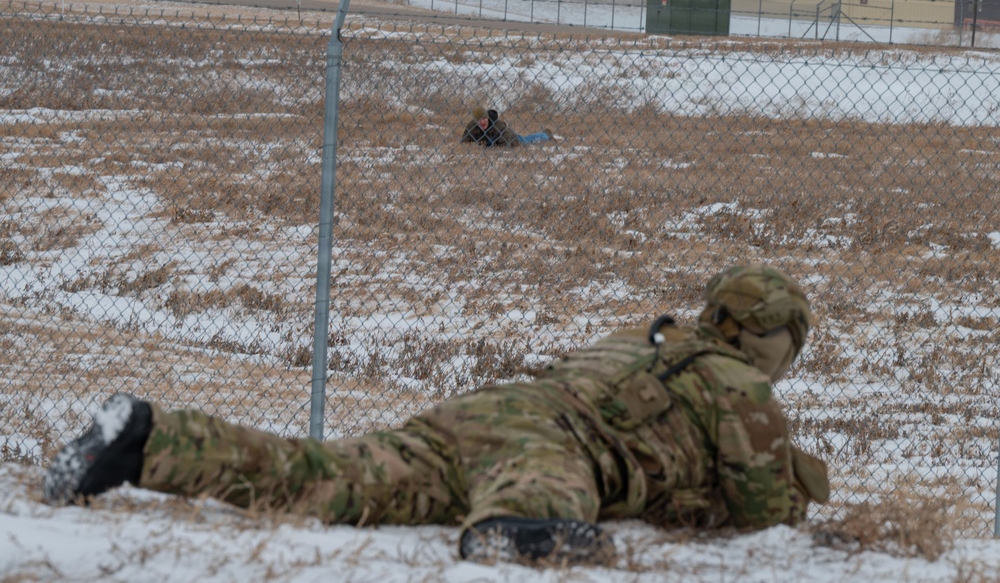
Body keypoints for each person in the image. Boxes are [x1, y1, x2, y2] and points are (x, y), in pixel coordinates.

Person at [43, 265, 829, 565]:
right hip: (547, 445)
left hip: (479, 414)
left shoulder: (641, 336)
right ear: (769, 337)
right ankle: (514, 525)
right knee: (536, 518)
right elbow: (763, 518)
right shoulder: (743, 391)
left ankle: (148, 438)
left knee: (330, 478)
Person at [460, 106, 553, 147]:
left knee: (528, 141)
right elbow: (464, 143)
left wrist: (487, 148)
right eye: (479, 120)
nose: (482, 122)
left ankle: (546, 135)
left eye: (484, 118)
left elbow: (506, 146)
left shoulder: (498, 126)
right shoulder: (471, 127)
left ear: (488, 117)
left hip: (513, 139)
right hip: (492, 143)